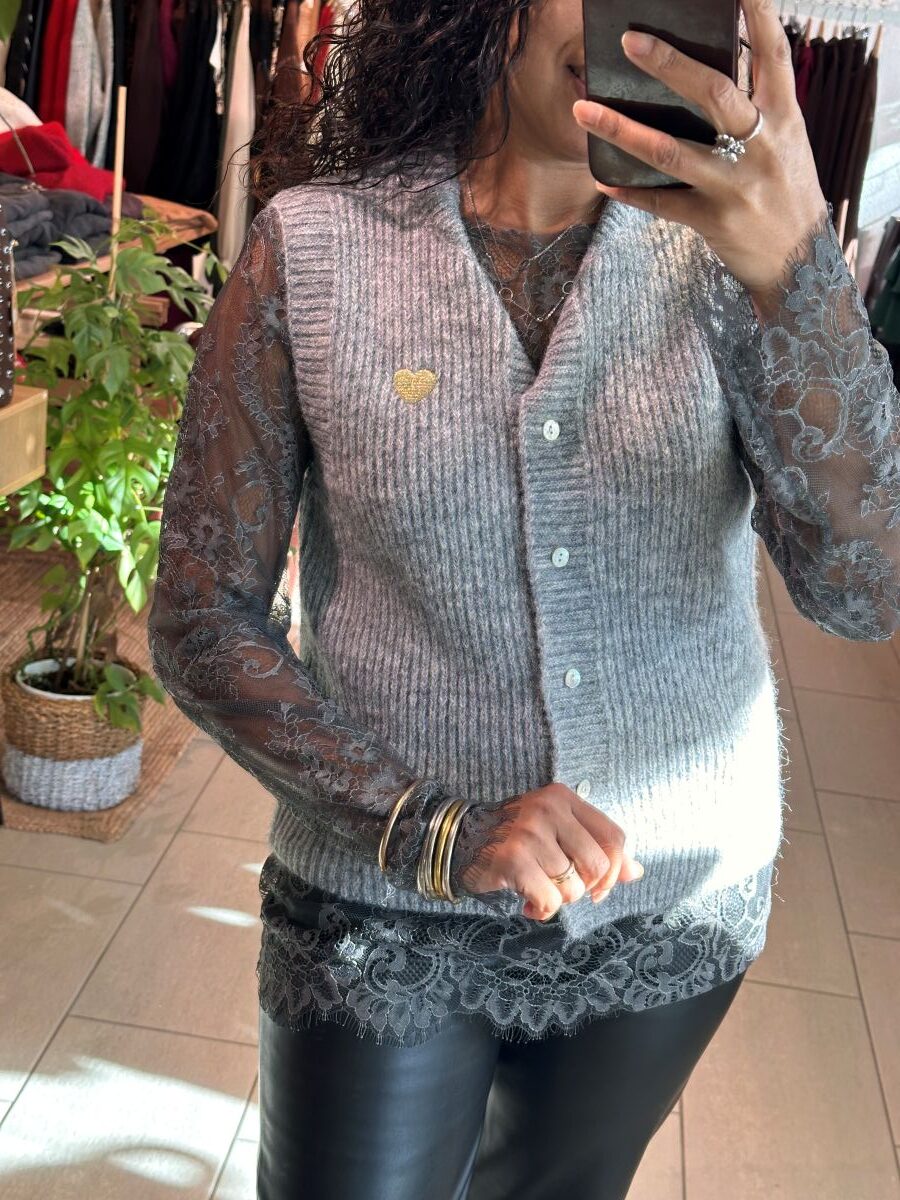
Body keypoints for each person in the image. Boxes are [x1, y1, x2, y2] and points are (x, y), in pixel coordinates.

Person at [146, 1, 900, 1197]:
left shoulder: (737, 261)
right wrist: (428, 826)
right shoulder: (316, 248)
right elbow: (199, 613)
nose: (640, 27)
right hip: (379, 890)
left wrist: (799, 279)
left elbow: (865, 591)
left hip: (670, 899)